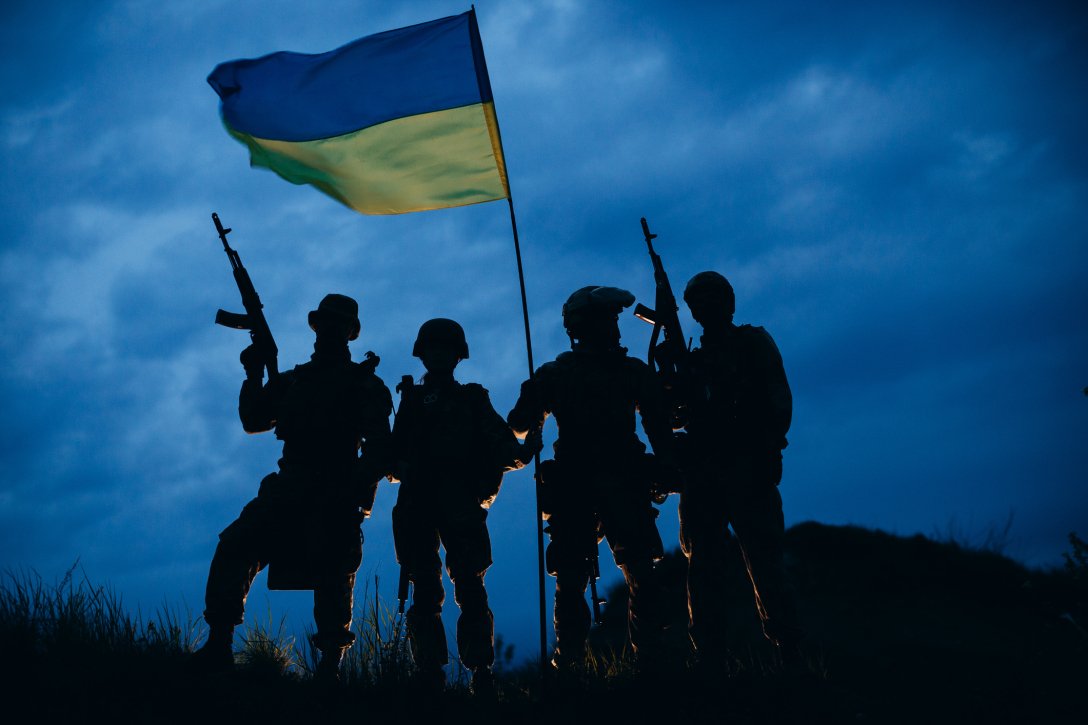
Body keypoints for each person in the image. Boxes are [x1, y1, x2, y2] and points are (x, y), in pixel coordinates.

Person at [191, 294, 392, 682]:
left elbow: (380, 450)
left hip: (336, 487)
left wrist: (349, 491)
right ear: (316, 326)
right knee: (235, 544)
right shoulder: (294, 380)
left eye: (339, 324)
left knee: (335, 572)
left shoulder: (363, 384)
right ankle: (218, 644)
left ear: (350, 333)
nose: (330, 330)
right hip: (289, 486)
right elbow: (254, 419)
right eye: (325, 322)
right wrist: (253, 373)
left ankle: (331, 666)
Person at [508, 286, 676, 672]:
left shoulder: (631, 371)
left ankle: (650, 661)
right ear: (583, 326)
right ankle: (569, 663)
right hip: (575, 485)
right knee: (571, 578)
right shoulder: (558, 373)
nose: (614, 327)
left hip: (624, 480)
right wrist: (532, 399)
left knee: (640, 572)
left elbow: (659, 426)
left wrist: (667, 466)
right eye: (606, 319)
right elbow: (518, 423)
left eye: (614, 319)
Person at [389, 318, 541, 695]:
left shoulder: (473, 399)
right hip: (418, 502)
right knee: (425, 589)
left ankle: (481, 670)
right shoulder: (411, 401)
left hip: (460, 500)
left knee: (471, 586)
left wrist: (524, 450)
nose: (439, 355)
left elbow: (500, 444)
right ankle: (429, 670)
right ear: (423, 354)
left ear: (458, 356)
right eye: (433, 348)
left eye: (446, 349)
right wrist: (402, 467)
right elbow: (392, 455)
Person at [677, 271, 802, 668]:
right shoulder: (691, 361)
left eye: (713, 298)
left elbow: (778, 403)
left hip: (748, 469)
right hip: (704, 476)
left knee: (766, 564)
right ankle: (711, 659)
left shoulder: (752, 343)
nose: (706, 306)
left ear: (729, 303)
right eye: (698, 301)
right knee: (704, 567)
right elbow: (674, 416)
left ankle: (789, 653)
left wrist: (763, 447)